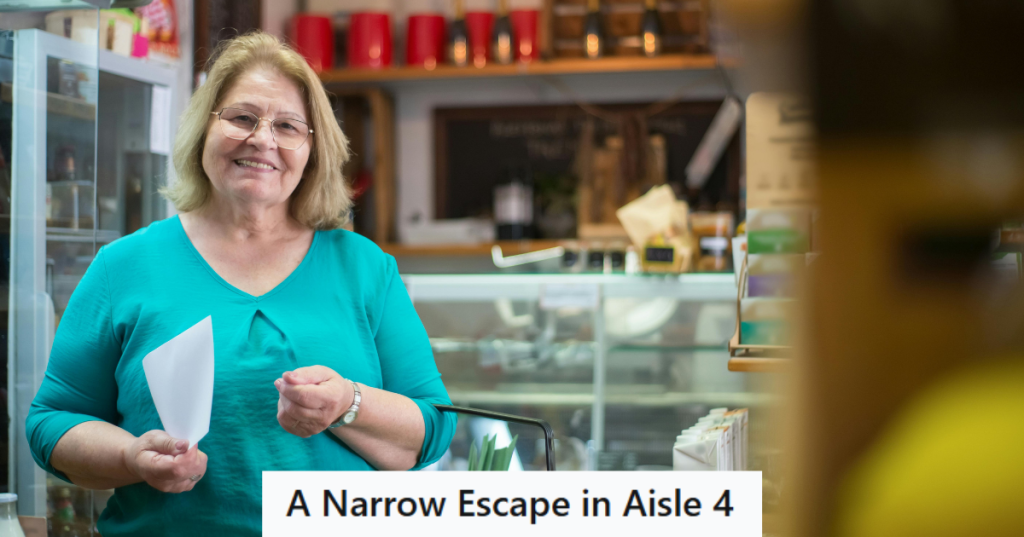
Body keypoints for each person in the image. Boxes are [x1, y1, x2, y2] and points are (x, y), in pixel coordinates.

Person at [26, 32, 456, 536]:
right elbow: (51, 422)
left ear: (313, 149)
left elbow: (432, 428)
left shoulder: (364, 268)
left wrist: (347, 405)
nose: (262, 139)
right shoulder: (124, 265)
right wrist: (130, 456)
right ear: (203, 129)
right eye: (242, 118)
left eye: (288, 126)